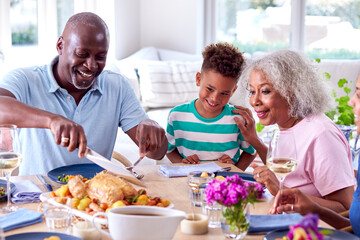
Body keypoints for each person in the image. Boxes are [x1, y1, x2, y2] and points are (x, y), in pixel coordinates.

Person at [0, 12, 167, 175]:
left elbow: (157, 154)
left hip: (97, 198)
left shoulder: (117, 86)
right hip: (38, 196)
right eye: (82, 54)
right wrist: (51, 120)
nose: (91, 65)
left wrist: (154, 133)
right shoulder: (25, 79)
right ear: (60, 46)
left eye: (100, 56)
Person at [233, 49, 355, 213]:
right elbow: (286, 170)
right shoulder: (286, 124)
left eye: (265, 91)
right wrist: (254, 139)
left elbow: (346, 209)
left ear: (292, 92)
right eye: (253, 91)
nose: (254, 101)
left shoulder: (321, 135)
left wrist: (282, 191)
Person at [269, 76, 360, 237]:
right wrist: (315, 209)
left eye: (359, 94)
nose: (351, 101)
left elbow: (347, 210)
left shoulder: (320, 132)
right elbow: (355, 225)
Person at [165, 43, 256, 170]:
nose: (214, 98)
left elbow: (250, 152)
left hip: (224, 184)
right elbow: (169, 150)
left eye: (224, 93)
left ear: (233, 91)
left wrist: (235, 171)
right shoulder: (177, 115)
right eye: (210, 88)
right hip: (189, 182)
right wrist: (183, 163)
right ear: (198, 79)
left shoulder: (238, 119)